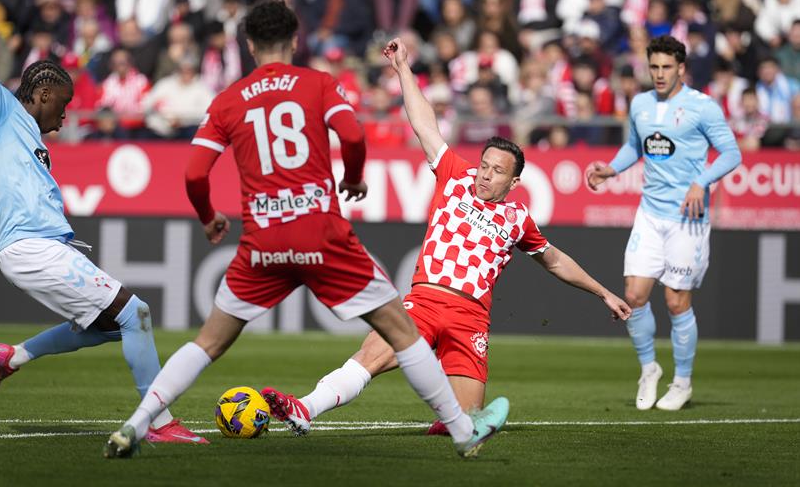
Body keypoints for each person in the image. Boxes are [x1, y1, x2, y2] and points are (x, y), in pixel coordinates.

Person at [104, 0, 509, 459]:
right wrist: (354, 177)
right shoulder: (317, 83)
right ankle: (461, 432)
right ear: (295, 40)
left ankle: (136, 425)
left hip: (262, 239)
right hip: (322, 233)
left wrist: (208, 217)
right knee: (402, 334)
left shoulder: (228, 99)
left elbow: (195, 173)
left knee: (208, 342)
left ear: (251, 44)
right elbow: (353, 136)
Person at [261, 38, 631, 437]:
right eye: (484, 165)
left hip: (471, 318)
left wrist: (603, 292)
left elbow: (555, 260)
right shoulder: (455, 175)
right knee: (371, 355)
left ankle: (456, 420)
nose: (485, 174)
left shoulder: (518, 218)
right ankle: (304, 408)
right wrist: (403, 68)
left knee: (467, 420)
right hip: (426, 300)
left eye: (496, 171)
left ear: (514, 180)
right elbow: (423, 123)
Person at [0, 0, 200, 445]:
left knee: (110, 327)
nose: (66, 116)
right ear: (43, 93)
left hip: (45, 247)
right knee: (137, 313)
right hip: (30, 246)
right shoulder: (2, 110)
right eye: (63, 105)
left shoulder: (31, 135)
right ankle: (159, 424)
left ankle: (14, 357)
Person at [586, 35, 742, 411]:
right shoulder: (640, 103)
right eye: (653, 67)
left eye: (666, 67)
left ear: (681, 69)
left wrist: (700, 183)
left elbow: (732, 153)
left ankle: (682, 382)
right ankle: (648, 369)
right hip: (650, 214)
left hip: (687, 219)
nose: (659, 74)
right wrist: (611, 169)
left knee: (675, 301)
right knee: (634, 295)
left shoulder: (702, 107)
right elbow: (635, 147)